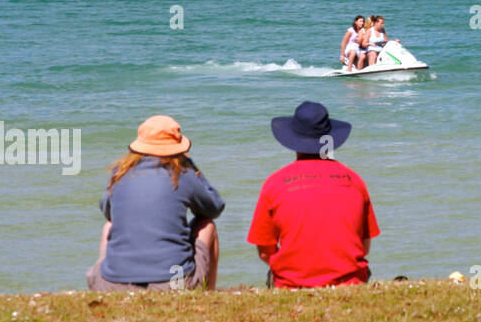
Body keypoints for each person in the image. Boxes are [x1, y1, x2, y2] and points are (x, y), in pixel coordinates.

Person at [247, 101, 380, 288]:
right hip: (350, 283)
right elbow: (364, 247)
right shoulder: (354, 181)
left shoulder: (274, 184)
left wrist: (297, 271)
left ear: (292, 140)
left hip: (291, 284)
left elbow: (264, 252)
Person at [87, 115, 224, 292]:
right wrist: (193, 168)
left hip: (112, 285)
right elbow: (214, 207)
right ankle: (208, 293)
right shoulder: (183, 173)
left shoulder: (119, 173)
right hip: (173, 284)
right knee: (207, 225)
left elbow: (108, 211)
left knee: (109, 226)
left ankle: (112, 282)